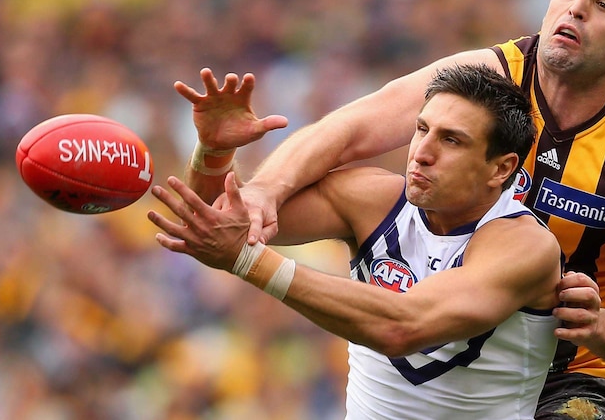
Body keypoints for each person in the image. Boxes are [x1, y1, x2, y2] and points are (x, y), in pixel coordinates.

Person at [176, 0, 605, 418]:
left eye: (604, 3)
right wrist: (256, 183)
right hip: (442, 321)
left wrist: (601, 325)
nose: (576, 7)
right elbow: (349, 128)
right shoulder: (481, 82)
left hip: (569, 370)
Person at [149, 64, 563, 419]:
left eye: (451, 140)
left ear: (501, 168)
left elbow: (402, 326)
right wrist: (215, 153)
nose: (421, 152)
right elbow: (219, 224)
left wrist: (246, 261)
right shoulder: (370, 199)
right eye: (422, 129)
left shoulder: (524, 246)